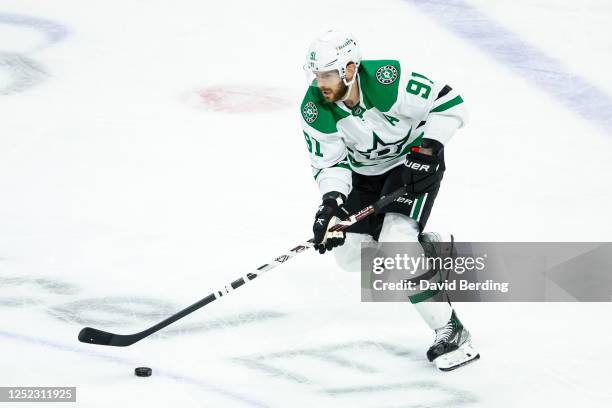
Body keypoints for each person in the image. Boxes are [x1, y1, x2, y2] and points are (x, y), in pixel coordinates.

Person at [300, 29, 479, 371]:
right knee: (350, 256)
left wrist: (429, 150)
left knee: (396, 247)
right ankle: (428, 252)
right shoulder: (315, 108)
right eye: (315, 75)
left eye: (326, 75)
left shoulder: (387, 80)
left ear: (350, 70)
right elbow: (330, 163)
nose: (318, 83)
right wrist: (331, 202)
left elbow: (452, 104)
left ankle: (451, 331)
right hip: (363, 177)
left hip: (410, 166)